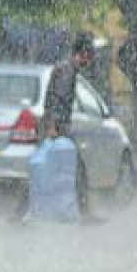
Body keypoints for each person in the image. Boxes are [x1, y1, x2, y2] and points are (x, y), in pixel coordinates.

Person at [42, 31, 104, 223]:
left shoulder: (67, 69)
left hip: (58, 128)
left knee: (47, 169)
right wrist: (52, 128)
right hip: (58, 130)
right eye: (90, 55)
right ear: (84, 54)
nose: (91, 60)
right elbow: (55, 100)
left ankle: (22, 213)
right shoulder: (67, 71)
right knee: (76, 171)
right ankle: (84, 213)